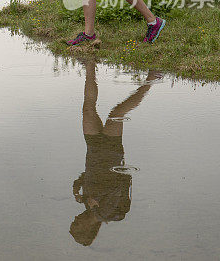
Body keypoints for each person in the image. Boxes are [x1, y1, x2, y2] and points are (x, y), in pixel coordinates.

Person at [69, 60, 162, 246]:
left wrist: (77, 185)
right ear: (87, 228)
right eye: (76, 223)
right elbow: (115, 187)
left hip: (93, 149)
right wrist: (93, 202)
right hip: (110, 152)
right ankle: (151, 80)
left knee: (88, 107)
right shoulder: (105, 213)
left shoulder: (89, 206)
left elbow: (90, 176)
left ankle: (90, 65)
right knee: (117, 113)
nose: (75, 218)